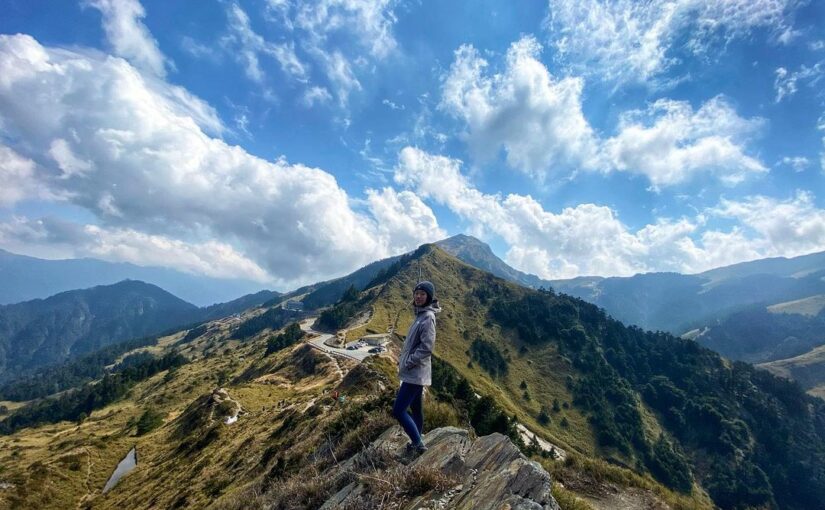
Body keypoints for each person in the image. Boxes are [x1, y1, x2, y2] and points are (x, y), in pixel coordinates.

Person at [393, 280, 441, 454]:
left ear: (429, 297)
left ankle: (418, 444)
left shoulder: (428, 317)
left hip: (415, 372)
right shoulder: (421, 315)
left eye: (423, 294)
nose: (419, 297)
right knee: (416, 409)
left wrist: (408, 361)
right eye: (417, 293)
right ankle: (417, 439)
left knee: (398, 411)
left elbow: (427, 347)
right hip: (415, 371)